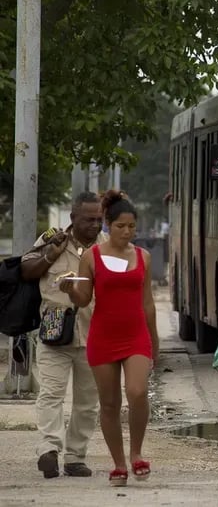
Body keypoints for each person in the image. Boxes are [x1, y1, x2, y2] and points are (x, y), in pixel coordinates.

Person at [60, 190, 158, 487]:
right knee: (110, 403)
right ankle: (118, 464)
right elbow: (83, 298)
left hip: (135, 335)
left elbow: (148, 303)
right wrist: (68, 290)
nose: (127, 232)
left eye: (132, 227)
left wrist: (154, 341)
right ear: (107, 225)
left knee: (138, 392)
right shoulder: (91, 257)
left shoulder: (143, 256)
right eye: (120, 226)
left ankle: (137, 452)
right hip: (103, 336)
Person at [20, 192, 108, 479]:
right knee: (52, 393)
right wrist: (50, 254)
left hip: (95, 331)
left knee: (88, 400)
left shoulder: (108, 246)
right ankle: (49, 449)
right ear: (73, 218)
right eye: (88, 219)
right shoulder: (53, 239)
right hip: (56, 328)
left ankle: (75, 457)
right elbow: (26, 269)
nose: (95, 225)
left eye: (99, 219)